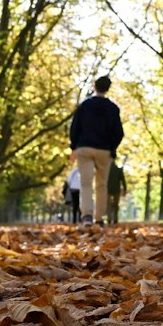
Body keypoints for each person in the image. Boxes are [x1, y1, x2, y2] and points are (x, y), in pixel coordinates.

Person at [69, 76, 125, 225]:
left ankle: (86, 216)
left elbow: (74, 128)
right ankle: (99, 218)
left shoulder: (84, 106)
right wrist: (112, 147)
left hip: (84, 147)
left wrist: (73, 146)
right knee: (102, 185)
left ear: (94, 86)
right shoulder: (113, 109)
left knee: (86, 183)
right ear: (108, 88)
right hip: (104, 150)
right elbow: (119, 132)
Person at [64, 160, 83, 225]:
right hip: (81, 188)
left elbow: (68, 180)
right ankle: (80, 219)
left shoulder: (74, 170)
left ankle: (74, 220)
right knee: (81, 204)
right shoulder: (84, 170)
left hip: (73, 189)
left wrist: (72, 185)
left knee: (75, 204)